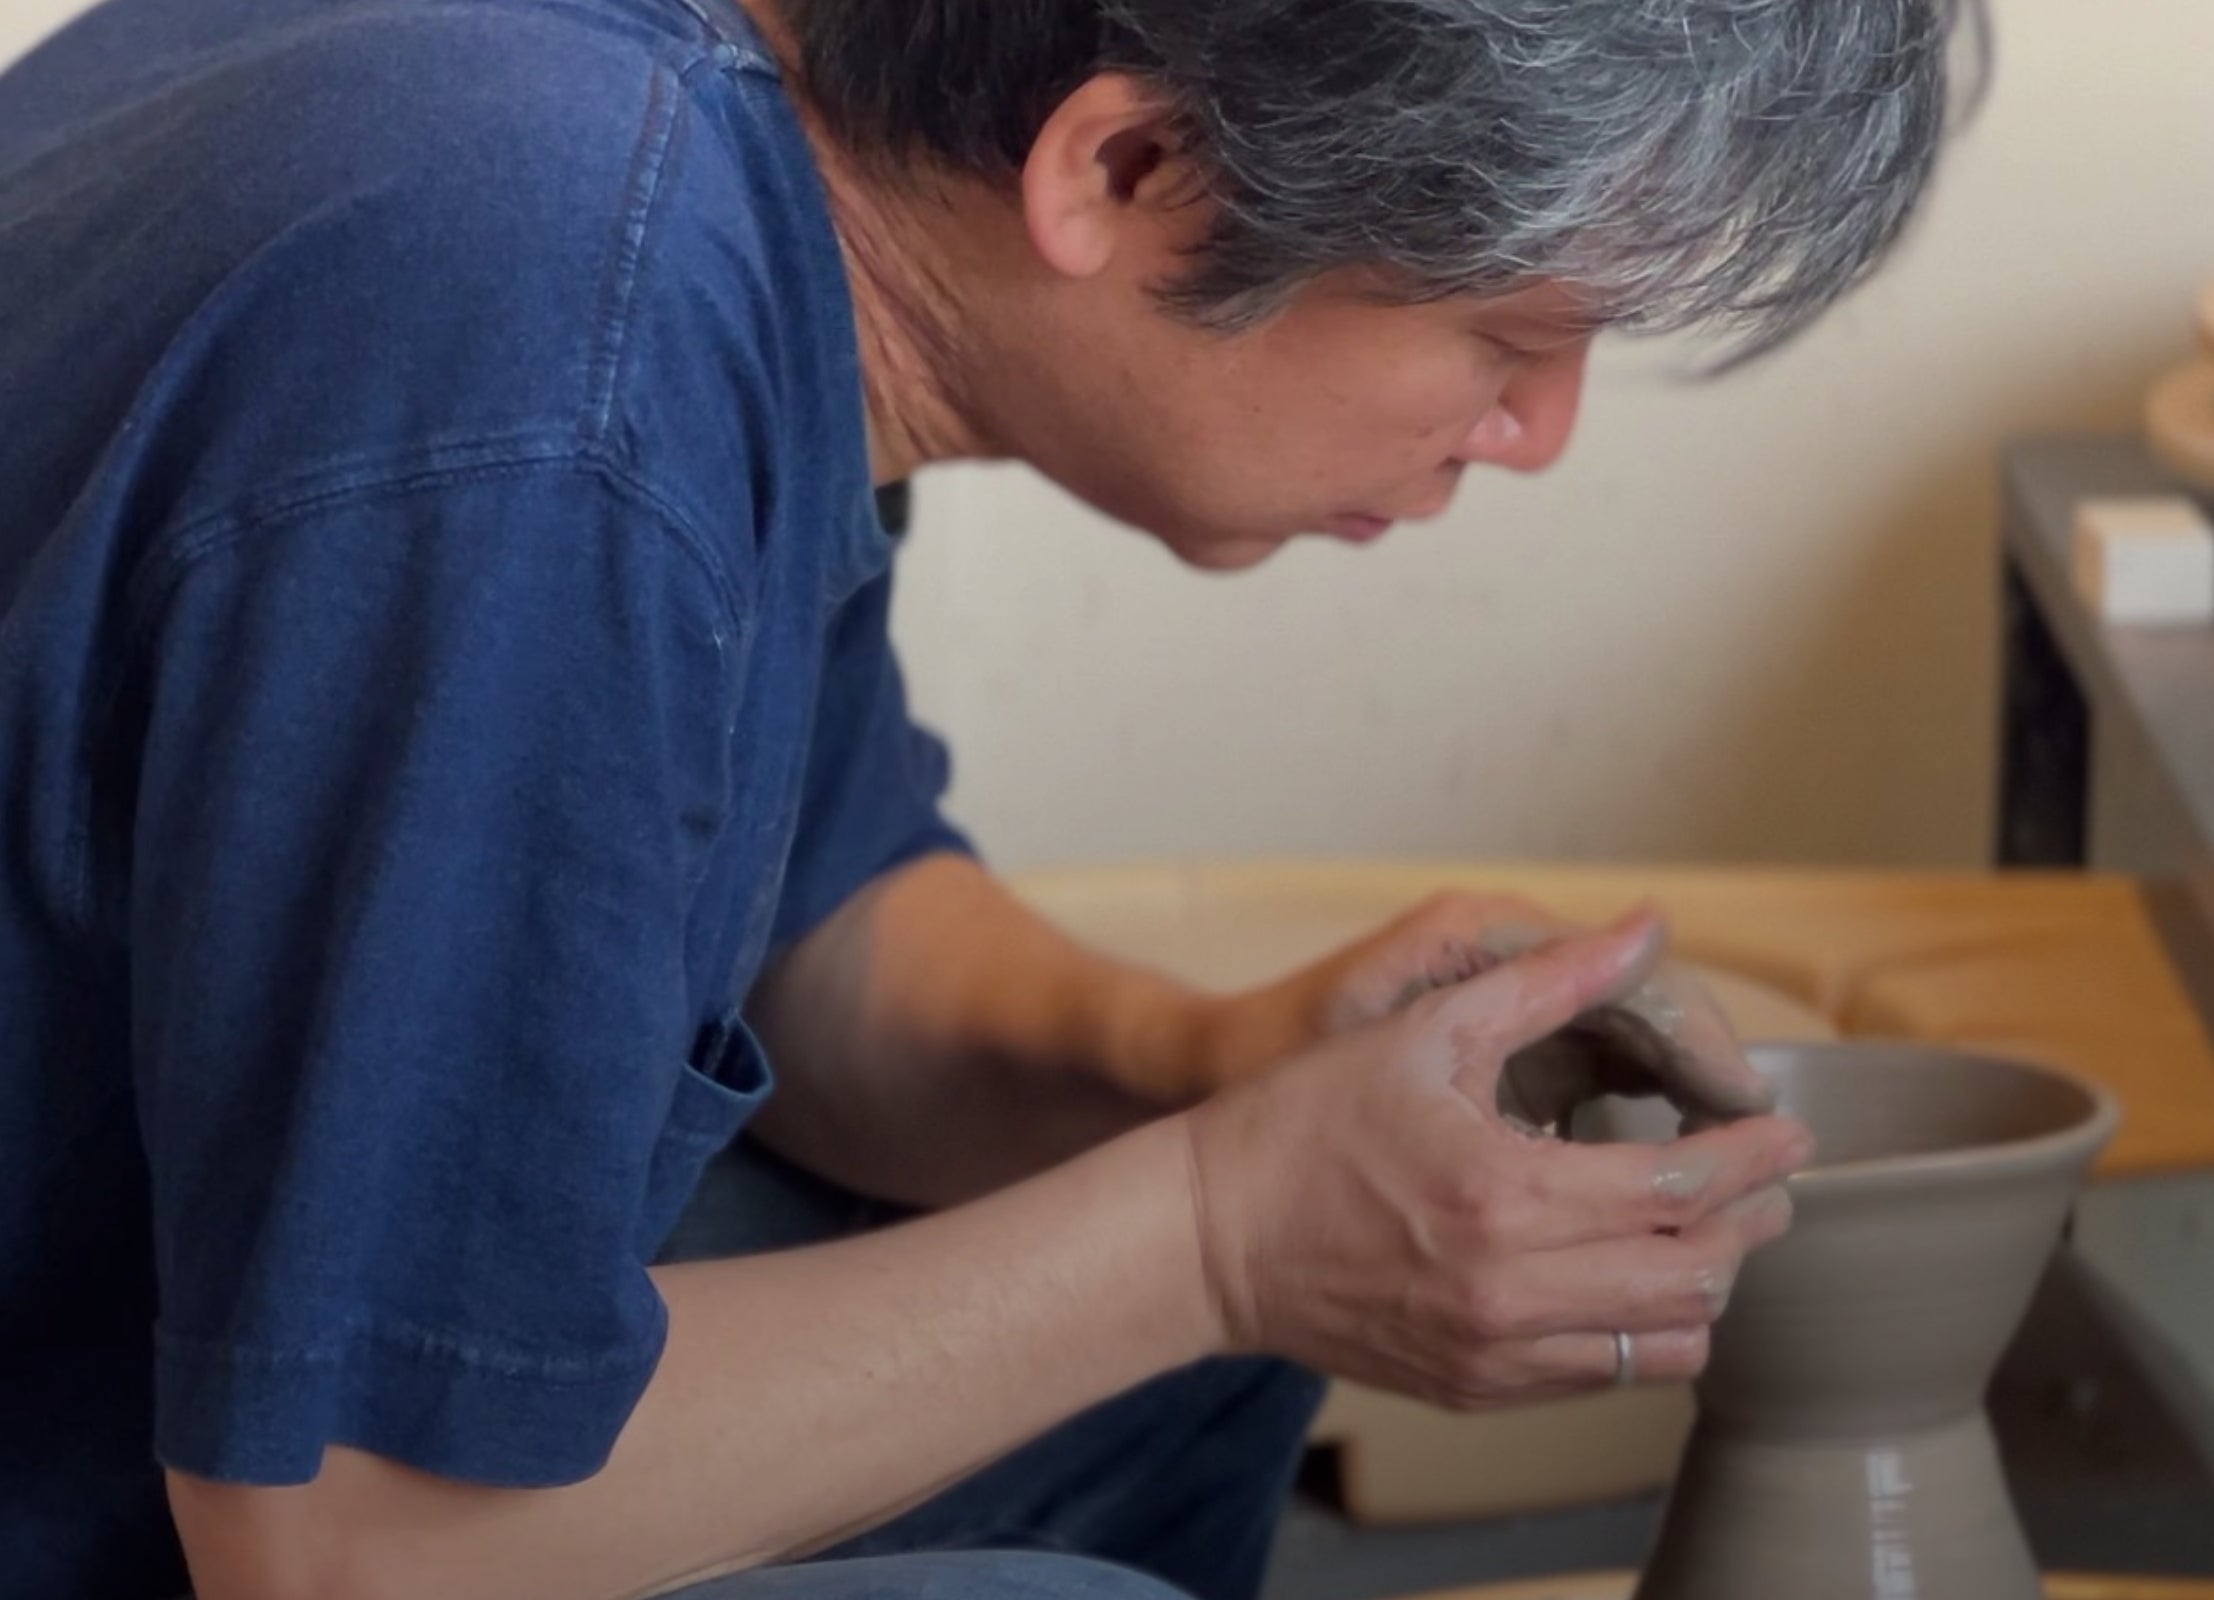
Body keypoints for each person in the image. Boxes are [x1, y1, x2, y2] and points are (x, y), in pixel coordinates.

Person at [0, 0, 1974, 1594]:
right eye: (1508, 331)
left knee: (1176, 1336)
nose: (1534, 435)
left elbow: (811, 926)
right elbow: (347, 1532)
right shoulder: (551, 377)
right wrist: (1224, 1223)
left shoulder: (665, 164)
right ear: (1127, 165)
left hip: (125, 1324)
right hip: (146, 1479)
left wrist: (1226, 1072)